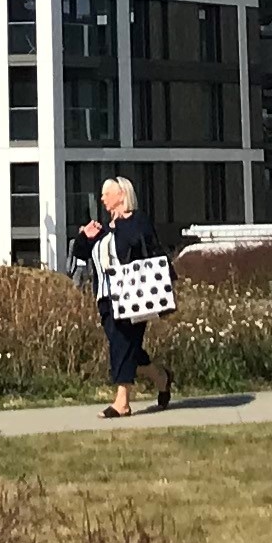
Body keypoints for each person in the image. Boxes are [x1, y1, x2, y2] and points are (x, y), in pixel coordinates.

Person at [73, 176, 173, 417]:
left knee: (122, 343)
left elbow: (138, 243)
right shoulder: (105, 228)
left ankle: (122, 402)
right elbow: (81, 253)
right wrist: (84, 236)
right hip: (106, 298)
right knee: (128, 347)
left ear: (121, 195)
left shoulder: (137, 221)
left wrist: (119, 228)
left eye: (107, 193)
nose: (102, 198)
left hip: (133, 295)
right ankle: (161, 378)